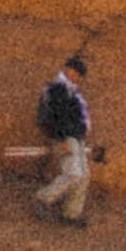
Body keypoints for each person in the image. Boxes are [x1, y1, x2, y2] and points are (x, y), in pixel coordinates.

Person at [32, 54, 94, 224]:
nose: (78, 77)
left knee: (83, 177)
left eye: (80, 75)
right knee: (74, 174)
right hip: (66, 138)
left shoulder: (71, 92)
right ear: (68, 69)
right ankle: (43, 198)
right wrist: (63, 138)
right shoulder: (58, 89)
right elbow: (57, 117)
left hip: (77, 138)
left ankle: (71, 214)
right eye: (76, 73)